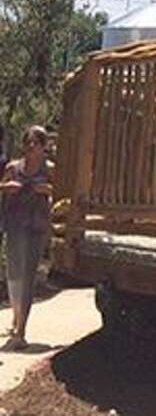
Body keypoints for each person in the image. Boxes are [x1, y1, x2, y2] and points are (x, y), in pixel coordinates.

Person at [1, 125, 55, 350]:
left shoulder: (49, 168)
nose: (31, 147)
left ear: (44, 147)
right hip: (15, 224)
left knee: (29, 275)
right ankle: (16, 315)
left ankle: (21, 330)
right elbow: (1, 186)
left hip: (37, 226)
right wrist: (6, 187)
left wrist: (48, 189)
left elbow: (63, 191)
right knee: (14, 274)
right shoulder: (14, 167)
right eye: (28, 142)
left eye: (36, 143)